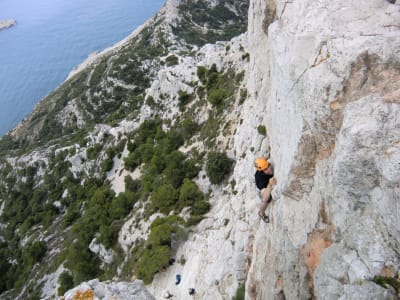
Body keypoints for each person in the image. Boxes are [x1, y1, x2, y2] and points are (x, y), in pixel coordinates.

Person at [254, 156, 277, 223]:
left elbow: (262, 160)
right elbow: (264, 197)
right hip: (262, 188)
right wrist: (269, 185)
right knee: (268, 199)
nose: (269, 169)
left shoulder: (263, 163)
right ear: (262, 171)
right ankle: (261, 213)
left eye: (268, 166)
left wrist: (267, 156)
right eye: (266, 169)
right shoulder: (261, 180)